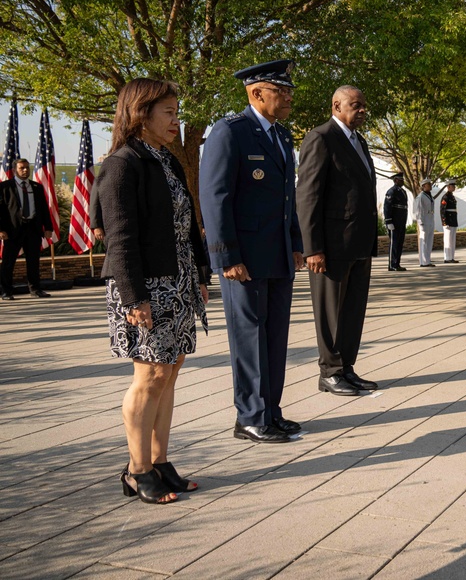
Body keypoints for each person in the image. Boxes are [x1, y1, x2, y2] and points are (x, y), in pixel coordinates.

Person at [100, 78, 207, 503]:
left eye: (177, 113)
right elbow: (120, 238)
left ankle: (160, 462)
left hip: (177, 280)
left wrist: (200, 271)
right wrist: (134, 297)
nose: (176, 121)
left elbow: (189, 223)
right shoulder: (122, 164)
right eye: (169, 113)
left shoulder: (168, 161)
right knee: (149, 376)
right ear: (140, 114)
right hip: (145, 285)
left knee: (170, 370)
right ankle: (136, 470)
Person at [200, 59, 304, 444]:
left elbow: (286, 199)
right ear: (256, 93)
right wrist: (225, 256)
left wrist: (296, 245)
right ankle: (249, 417)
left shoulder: (282, 135)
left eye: (290, 91)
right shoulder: (230, 132)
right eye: (282, 91)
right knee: (249, 337)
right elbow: (215, 198)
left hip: (277, 254)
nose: (290, 97)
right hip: (243, 259)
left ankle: (271, 412)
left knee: (275, 336)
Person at [297, 84, 381, 399]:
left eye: (363, 106)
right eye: (355, 105)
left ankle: (346, 368)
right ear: (337, 105)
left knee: (352, 311)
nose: (362, 111)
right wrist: (313, 248)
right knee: (330, 313)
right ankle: (329, 372)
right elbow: (308, 196)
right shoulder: (321, 138)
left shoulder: (359, 141)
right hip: (330, 247)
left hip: (358, 243)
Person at [0, 159, 54, 300]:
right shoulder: (5, 187)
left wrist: (48, 227)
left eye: (27, 168)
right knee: (8, 262)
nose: (25, 170)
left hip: (33, 229)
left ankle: (35, 289)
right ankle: (6, 291)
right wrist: (1, 230)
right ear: (14, 170)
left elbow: (43, 209)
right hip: (12, 230)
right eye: (21, 168)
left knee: (33, 261)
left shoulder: (36, 187)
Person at [383, 172, 408, 272]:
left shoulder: (403, 191)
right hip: (394, 221)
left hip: (401, 220)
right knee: (394, 243)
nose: (402, 181)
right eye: (401, 179)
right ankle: (392, 264)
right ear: (396, 180)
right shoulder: (391, 191)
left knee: (400, 243)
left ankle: (397, 263)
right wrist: (388, 221)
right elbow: (387, 207)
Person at [415, 178, 435, 267]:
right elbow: (417, 210)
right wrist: (420, 221)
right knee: (424, 241)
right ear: (423, 186)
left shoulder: (430, 195)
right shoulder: (420, 197)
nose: (430, 186)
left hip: (430, 219)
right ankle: (423, 262)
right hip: (424, 220)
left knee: (429, 241)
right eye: (428, 184)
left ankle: (428, 260)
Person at [440, 179, 459, 263]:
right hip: (448, 220)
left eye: (454, 186)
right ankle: (447, 258)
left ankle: (451, 257)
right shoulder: (445, 197)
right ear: (448, 187)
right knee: (448, 240)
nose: (454, 187)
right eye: (452, 186)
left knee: (452, 240)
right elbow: (442, 210)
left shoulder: (452, 196)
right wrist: (444, 221)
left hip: (453, 220)